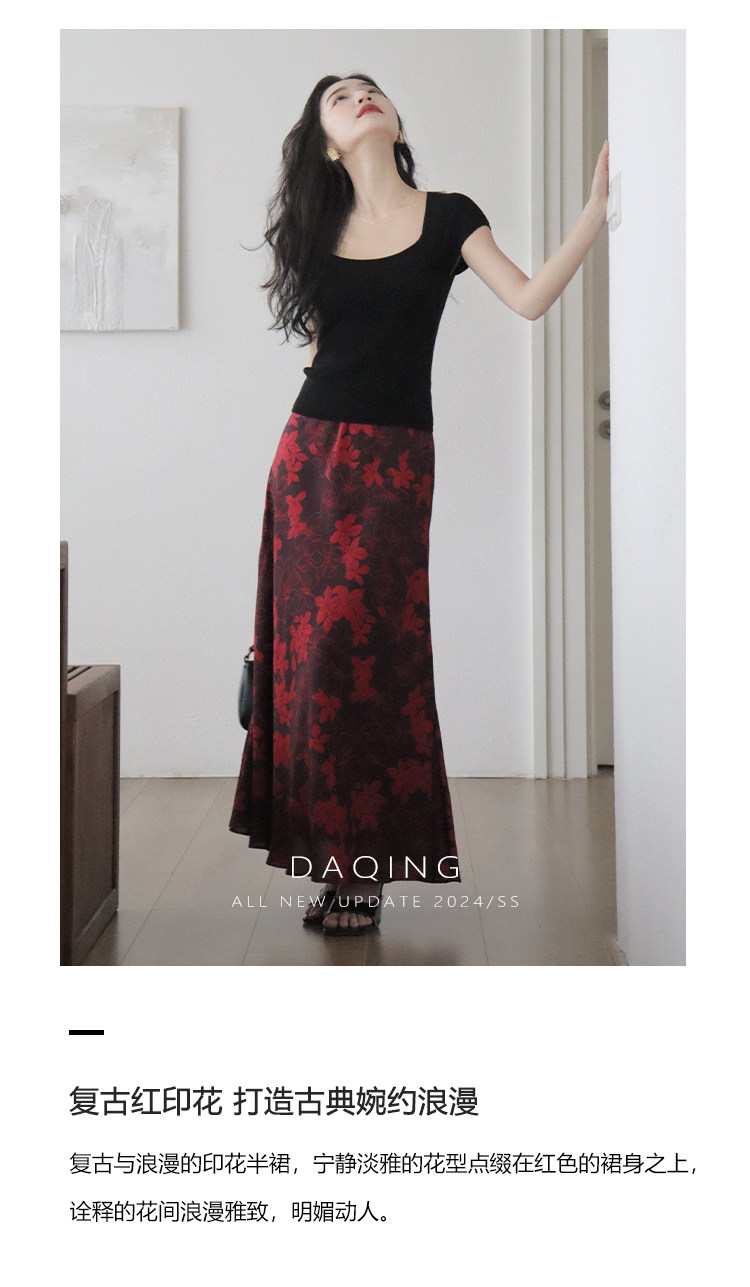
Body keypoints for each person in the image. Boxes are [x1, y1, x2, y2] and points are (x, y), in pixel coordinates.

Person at [228, 71, 609, 936]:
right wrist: (300, 464)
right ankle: (337, 863)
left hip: (397, 465)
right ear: (329, 143)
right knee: (313, 661)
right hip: (309, 459)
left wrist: (595, 211)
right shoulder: (317, 233)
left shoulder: (448, 217)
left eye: (370, 88)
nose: (360, 96)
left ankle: (362, 865)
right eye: (339, 97)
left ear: (394, 121)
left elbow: (529, 298)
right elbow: (321, 353)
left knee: (374, 654)